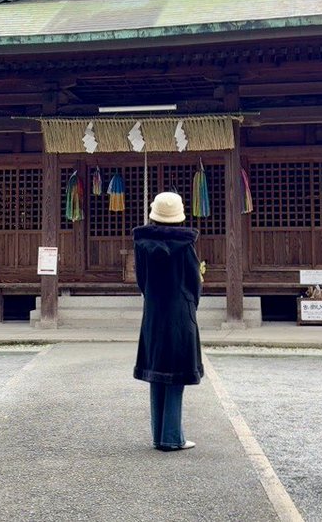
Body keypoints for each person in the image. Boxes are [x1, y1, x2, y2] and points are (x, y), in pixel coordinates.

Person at [133, 191, 203, 452]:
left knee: (157, 374)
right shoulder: (185, 245)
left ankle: (158, 435)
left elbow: (142, 280)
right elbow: (194, 283)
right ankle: (172, 437)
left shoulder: (142, 244)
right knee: (176, 375)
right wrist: (190, 304)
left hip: (153, 312)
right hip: (178, 313)